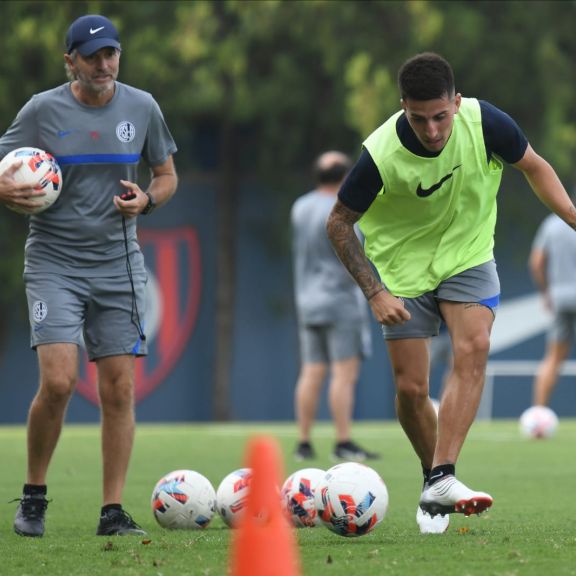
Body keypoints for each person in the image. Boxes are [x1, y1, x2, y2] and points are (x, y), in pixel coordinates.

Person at [326, 52, 576, 534]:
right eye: (419, 119)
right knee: (411, 389)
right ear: (403, 108)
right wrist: (375, 292)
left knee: (474, 345)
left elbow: (535, 166)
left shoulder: (486, 123)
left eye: (441, 116)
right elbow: (337, 224)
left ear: (456, 103)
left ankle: (443, 475)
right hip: (402, 268)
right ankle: (431, 478)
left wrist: (572, 216)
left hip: (468, 255)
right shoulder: (379, 154)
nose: (433, 129)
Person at [0, 14, 178, 537]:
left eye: (111, 54)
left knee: (119, 388)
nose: (105, 64)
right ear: (70, 61)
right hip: (54, 261)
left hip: (118, 264)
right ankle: (34, 495)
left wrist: (147, 200)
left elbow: (166, 175)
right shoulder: (42, 110)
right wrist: (3, 188)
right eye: (92, 56)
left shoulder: (141, 106)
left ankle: (112, 511)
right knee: (58, 382)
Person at [291, 151, 378, 462]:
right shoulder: (345, 209)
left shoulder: (300, 207)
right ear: (345, 175)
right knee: (343, 373)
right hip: (341, 299)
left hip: (307, 299)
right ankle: (343, 440)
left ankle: (303, 442)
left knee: (312, 371)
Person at [529, 210, 576, 406]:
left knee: (553, 358)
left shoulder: (552, 224)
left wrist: (546, 292)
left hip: (560, 298)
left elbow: (536, 262)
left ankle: (538, 412)